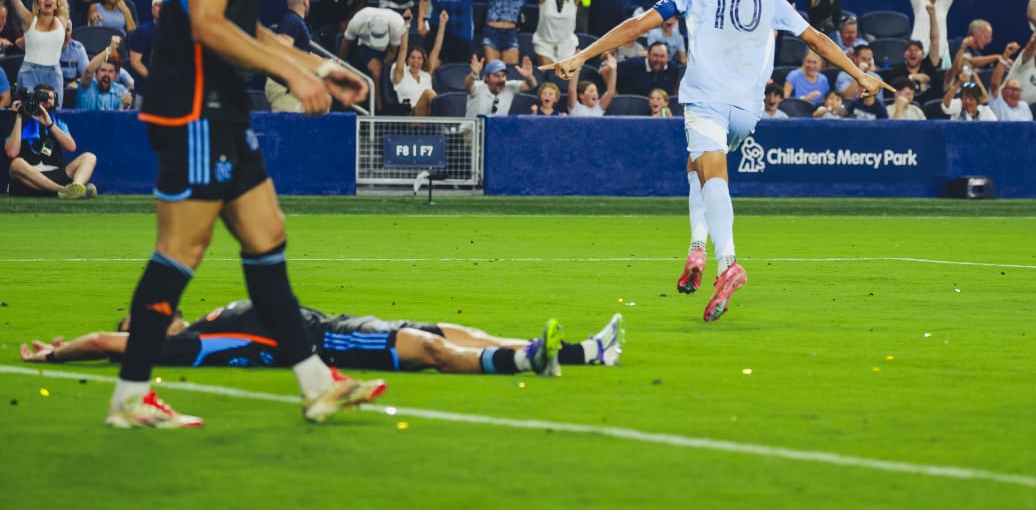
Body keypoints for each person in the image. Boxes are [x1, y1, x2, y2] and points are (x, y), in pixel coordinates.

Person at [112, 0, 387, 430]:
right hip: (193, 108)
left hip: (222, 107)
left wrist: (319, 65)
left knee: (266, 235)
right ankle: (129, 398)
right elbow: (209, 24)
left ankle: (317, 385)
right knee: (181, 248)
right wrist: (292, 77)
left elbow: (252, 29)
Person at [542, 0, 893, 322]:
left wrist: (582, 54)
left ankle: (728, 263)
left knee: (713, 174)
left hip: (706, 99)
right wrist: (859, 74)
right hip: (748, 111)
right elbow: (815, 39)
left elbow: (638, 25)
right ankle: (696, 247)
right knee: (697, 164)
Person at [20, 301, 619, 376]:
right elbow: (103, 342)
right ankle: (526, 363)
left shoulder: (201, 323)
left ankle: (582, 352)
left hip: (339, 322)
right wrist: (55, 351)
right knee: (434, 352)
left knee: (457, 329)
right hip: (327, 345)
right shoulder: (190, 346)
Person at [5, 83, 98, 198]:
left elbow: (71, 147)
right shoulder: (19, 122)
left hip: (54, 172)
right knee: (16, 164)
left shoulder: (58, 123)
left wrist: (49, 124)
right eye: (42, 97)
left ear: (55, 101)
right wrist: (19, 116)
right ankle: (63, 190)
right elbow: (11, 153)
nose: (46, 101)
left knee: (89, 157)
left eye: (50, 98)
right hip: (30, 176)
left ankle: (76, 187)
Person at [390, 13, 446, 117]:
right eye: (412, 58)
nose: (416, 61)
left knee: (440, 98)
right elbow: (403, 49)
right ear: (407, 60)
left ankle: (445, 122)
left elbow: (436, 49)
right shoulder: (400, 74)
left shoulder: (425, 75)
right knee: (429, 93)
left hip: (428, 114)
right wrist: (406, 24)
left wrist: (442, 24)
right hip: (409, 115)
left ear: (423, 61)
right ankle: (447, 122)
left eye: (419, 58)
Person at [465, 56, 538, 117]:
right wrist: (473, 74)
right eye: (496, 76)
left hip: (496, 130)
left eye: (503, 76)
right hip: (472, 131)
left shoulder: (509, 86)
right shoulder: (479, 86)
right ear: (486, 78)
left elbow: (532, 85)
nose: (501, 80)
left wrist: (529, 76)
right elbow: (468, 86)